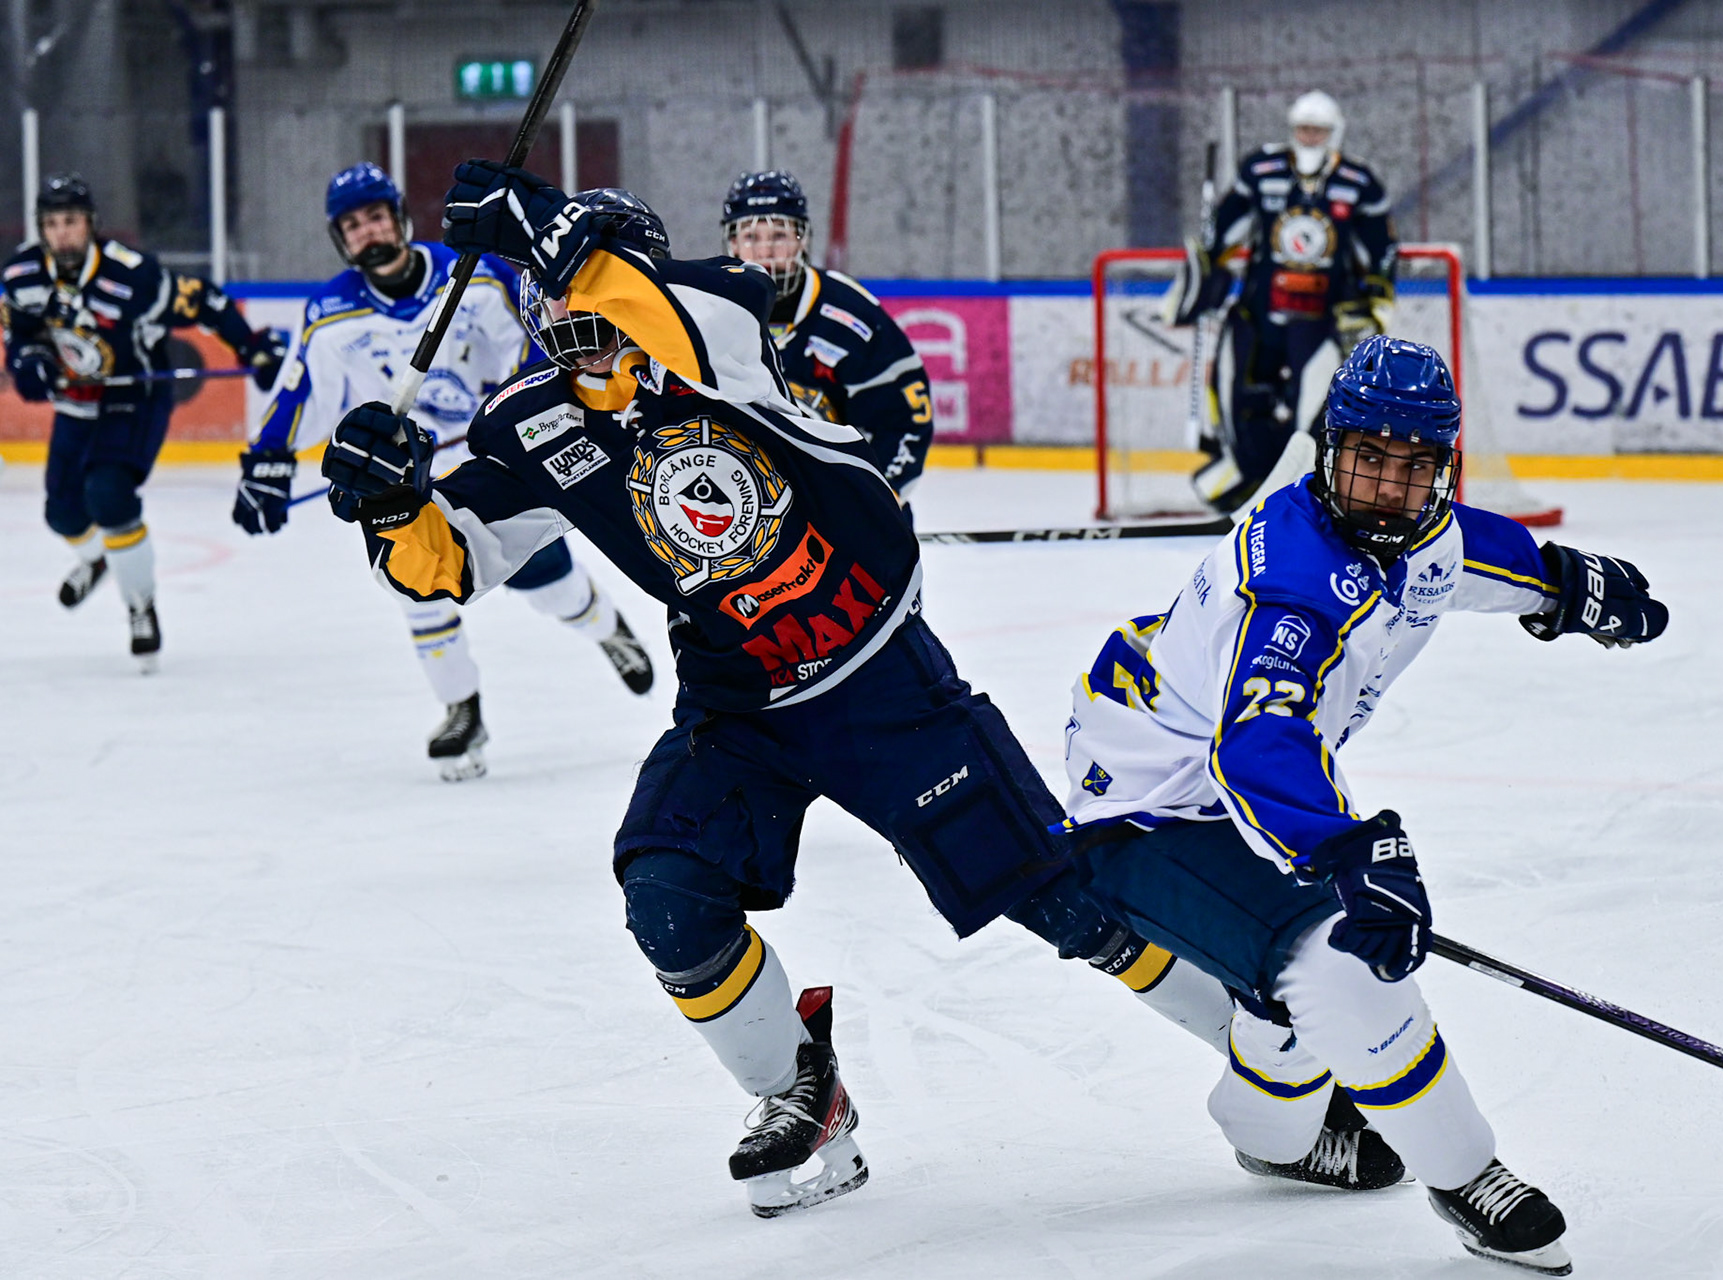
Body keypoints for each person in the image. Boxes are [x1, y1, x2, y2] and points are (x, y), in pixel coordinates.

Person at [319, 169, 1266, 1218]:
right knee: (668, 897)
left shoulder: (722, 323)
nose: (571, 309)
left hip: (878, 679)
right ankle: (799, 1092)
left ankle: (1275, 1059)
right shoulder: (528, 420)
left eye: (588, 280)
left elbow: (675, 312)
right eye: (555, 290)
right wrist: (394, 504)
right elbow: (447, 567)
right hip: (738, 706)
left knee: (1063, 897)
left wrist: (554, 229)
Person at [1059, 336, 1670, 1274]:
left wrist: (1563, 587)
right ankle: (1466, 1175)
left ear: (1443, 469)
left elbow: (1473, 554)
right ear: (1330, 450)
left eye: (1415, 466)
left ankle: (1272, 1101)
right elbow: (1256, 744)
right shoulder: (1296, 584)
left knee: (1291, 1015)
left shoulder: (1422, 532)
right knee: (1332, 961)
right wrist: (1346, 851)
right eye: (1369, 458)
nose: (1389, 487)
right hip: (1149, 804)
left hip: (1230, 778)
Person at [233, 163, 654, 780]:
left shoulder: (472, 274)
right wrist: (266, 460)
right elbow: (301, 392)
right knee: (418, 591)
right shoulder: (330, 312)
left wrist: (524, 412)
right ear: (339, 238)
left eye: (375, 216)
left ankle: (604, 626)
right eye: (352, 225)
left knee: (551, 586)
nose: (367, 231)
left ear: (400, 217)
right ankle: (462, 709)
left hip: (496, 469)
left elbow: (537, 349)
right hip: (404, 481)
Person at [2, 173, 286, 670]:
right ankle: (99, 559)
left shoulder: (132, 276)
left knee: (108, 495)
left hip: (135, 395)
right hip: (78, 402)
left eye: (71, 221)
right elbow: (22, 336)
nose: (62, 233)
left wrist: (251, 346)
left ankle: (140, 605)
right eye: (52, 223)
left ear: (90, 224)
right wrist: (29, 362)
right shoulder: (24, 275)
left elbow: (205, 300)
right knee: (62, 513)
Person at [1170, 90, 1397, 515]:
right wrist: (1207, 271)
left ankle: (1304, 489)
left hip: (1321, 319)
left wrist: (1374, 301)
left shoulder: (1358, 181)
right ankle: (1248, 480)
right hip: (1259, 312)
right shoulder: (1262, 169)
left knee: (1313, 406)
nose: (1310, 137)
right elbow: (1225, 230)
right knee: (1242, 397)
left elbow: (1380, 250)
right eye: (1303, 129)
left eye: (1318, 130)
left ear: (1334, 132)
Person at [720, 170, 934, 506]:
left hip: (846, 503)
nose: (765, 250)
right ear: (732, 243)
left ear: (802, 239)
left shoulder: (850, 315)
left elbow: (904, 417)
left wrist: (879, 499)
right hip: (745, 507)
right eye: (750, 236)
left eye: (779, 235)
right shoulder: (710, 314)